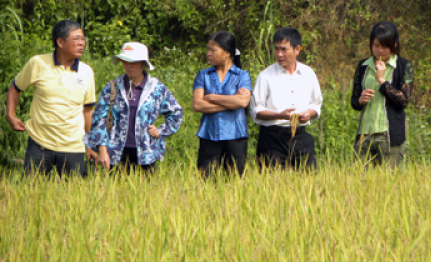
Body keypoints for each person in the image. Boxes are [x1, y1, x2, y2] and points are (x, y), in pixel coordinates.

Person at [6, 20, 96, 177]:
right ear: (60, 42)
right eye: (76, 39)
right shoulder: (38, 63)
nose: (81, 43)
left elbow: (87, 110)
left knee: (75, 197)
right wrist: (10, 115)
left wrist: (90, 145)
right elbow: (15, 87)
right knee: (32, 194)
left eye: (82, 39)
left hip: (73, 147)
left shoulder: (86, 72)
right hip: (39, 145)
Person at [84, 42, 183, 173]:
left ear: (143, 63)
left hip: (146, 154)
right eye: (125, 61)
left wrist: (160, 131)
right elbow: (99, 119)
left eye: (133, 62)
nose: (128, 66)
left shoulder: (156, 89)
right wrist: (102, 150)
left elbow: (176, 112)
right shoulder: (112, 87)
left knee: (146, 192)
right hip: (116, 153)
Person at [250, 27, 323, 169]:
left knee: (307, 183)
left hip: (301, 137)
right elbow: (256, 111)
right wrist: (279, 115)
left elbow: (316, 105)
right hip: (272, 138)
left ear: (297, 49)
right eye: (276, 49)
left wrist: (308, 114)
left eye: (284, 49)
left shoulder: (308, 74)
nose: (279, 54)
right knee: (273, 185)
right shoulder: (265, 76)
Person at [350, 21, 415, 169]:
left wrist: (382, 80)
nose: (380, 51)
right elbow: (354, 102)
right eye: (376, 46)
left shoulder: (403, 66)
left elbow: (404, 100)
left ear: (395, 45)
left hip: (389, 136)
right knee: (358, 183)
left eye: (385, 47)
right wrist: (360, 100)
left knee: (390, 184)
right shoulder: (363, 66)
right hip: (364, 134)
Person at [192, 31, 251, 177]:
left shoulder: (242, 75)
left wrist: (211, 97)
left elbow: (243, 101)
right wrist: (231, 102)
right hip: (209, 134)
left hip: (236, 135)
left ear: (227, 53)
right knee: (206, 180)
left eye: (213, 50)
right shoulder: (203, 75)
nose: (208, 54)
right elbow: (197, 105)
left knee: (235, 181)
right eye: (208, 49)